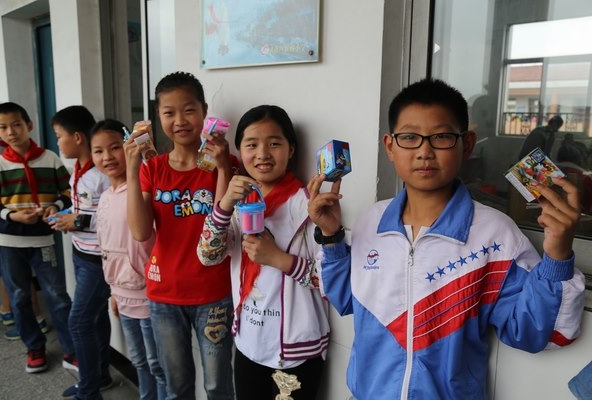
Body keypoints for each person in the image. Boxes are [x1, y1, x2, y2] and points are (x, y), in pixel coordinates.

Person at [307, 79, 586, 399]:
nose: (424, 152)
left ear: (467, 144)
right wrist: (331, 236)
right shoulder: (372, 222)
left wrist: (557, 256)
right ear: (390, 146)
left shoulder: (495, 235)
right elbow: (344, 299)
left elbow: (532, 332)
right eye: (409, 137)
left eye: (441, 137)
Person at [197, 105, 330, 400]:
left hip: (296, 352)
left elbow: (330, 280)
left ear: (291, 149)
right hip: (248, 344)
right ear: (239, 150)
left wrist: (278, 259)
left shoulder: (307, 205)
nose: (262, 154)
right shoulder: (238, 201)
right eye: (252, 144)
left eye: (274, 143)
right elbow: (208, 255)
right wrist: (224, 205)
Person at [125, 71, 235, 399]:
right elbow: (140, 231)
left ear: (204, 111)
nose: (180, 121)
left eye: (188, 110)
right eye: (169, 113)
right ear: (158, 117)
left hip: (214, 292)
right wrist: (131, 169)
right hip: (164, 294)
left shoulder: (225, 163)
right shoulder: (153, 167)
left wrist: (224, 167)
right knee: (177, 387)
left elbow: (222, 224)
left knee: (217, 386)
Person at [0, 101, 75, 373]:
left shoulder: (50, 159)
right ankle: (34, 347)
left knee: (57, 295)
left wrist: (56, 206)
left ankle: (71, 349)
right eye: (3, 127)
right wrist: (13, 216)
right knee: (18, 296)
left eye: (17, 124)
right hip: (9, 242)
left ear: (29, 125)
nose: (11, 132)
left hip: (43, 240)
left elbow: (68, 192)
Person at [91, 119, 167, 400]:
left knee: (158, 365)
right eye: (99, 151)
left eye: (115, 148)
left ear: (128, 146)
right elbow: (108, 249)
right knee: (139, 362)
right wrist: (113, 291)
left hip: (149, 296)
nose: (107, 157)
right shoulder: (105, 197)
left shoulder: (142, 192)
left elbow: (151, 242)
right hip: (122, 296)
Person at [49, 105, 112, 400]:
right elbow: (83, 209)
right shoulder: (78, 170)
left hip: (98, 261)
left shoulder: (102, 174)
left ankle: (88, 392)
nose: (57, 143)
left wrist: (78, 221)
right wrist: (63, 214)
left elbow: (115, 215)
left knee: (79, 322)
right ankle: (100, 376)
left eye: (59, 136)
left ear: (76, 137)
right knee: (95, 318)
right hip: (81, 253)